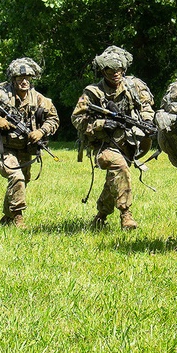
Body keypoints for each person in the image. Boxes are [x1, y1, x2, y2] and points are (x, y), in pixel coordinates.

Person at [72, 46, 155, 230]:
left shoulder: (134, 86)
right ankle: (126, 214)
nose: (115, 74)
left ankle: (101, 216)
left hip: (130, 142)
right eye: (110, 70)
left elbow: (146, 106)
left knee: (115, 178)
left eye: (119, 70)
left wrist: (148, 122)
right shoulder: (93, 93)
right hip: (104, 145)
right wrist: (101, 124)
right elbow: (76, 119)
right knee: (120, 167)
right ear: (103, 71)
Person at [0, 57, 60, 228]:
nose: (24, 82)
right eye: (20, 79)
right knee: (16, 177)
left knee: (23, 181)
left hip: (26, 147)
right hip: (6, 146)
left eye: (27, 79)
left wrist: (41, 131)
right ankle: (18, 217)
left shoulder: (39, 99)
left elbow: (53, 119)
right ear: (13, 79)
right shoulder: (1, 96)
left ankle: (7, 218)